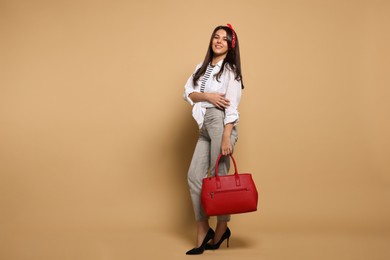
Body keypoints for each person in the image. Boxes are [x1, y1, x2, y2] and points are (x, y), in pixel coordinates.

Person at [183, 24, 244, 255]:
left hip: (220, 124)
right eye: (216, 37)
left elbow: (232, 107)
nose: (218, 41)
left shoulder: (231, 71)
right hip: (204, 126)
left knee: (219, 180)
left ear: (231, 45)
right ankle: (203, 229)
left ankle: (221, 228)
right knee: (194, 178)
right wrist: (207, 95)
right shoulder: (202, 67)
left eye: (224, 39)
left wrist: (227, 136)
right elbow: (187, 92)